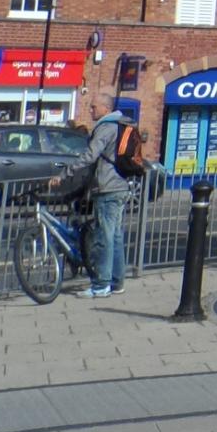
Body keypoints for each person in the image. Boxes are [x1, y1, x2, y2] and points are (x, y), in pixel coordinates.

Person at [55, 100, 136, 298]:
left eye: (94, 106)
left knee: (104, 237)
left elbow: (90, 156)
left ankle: (101, 285)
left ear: (105, 108)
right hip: (121, 185)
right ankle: (117, 283)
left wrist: (65, 173)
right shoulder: (122, 124)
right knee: (115, 236)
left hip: (108, 187)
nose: (91, 108)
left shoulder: (106, 127)